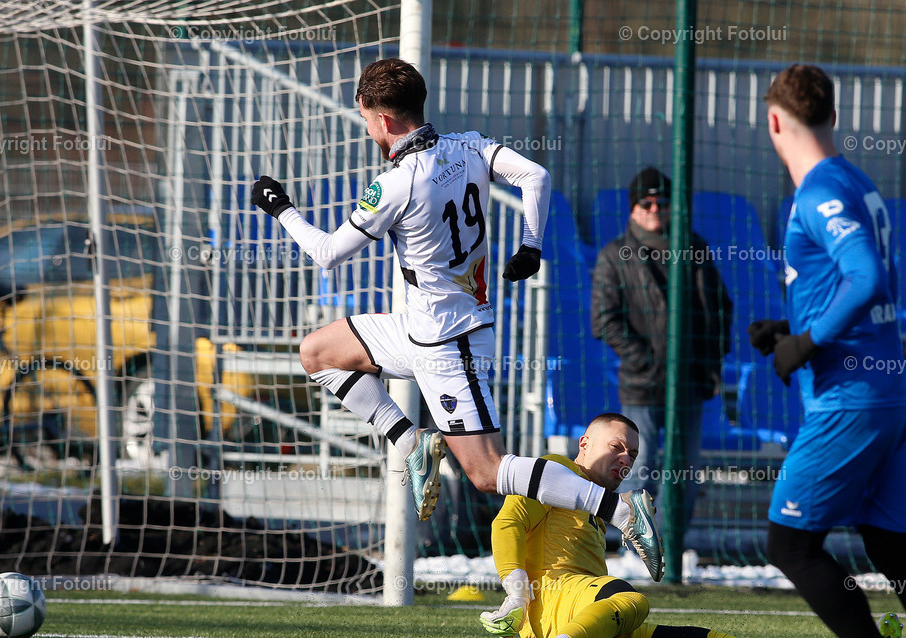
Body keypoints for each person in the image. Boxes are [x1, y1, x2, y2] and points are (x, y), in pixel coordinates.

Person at [250, 58, 663, 580]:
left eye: (366, 118)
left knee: (488, 472)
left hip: (451, 343)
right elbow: (535, 175)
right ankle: (409, 439)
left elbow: (329, 253)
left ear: (382, 118)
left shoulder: (396, 183)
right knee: (318, 352)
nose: (367, 128)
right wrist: (530, 245)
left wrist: (282, 209)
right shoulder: (468, 145)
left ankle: (623, 511)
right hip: (417, 329)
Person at [752, 63, 906, 638]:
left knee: (789, 541)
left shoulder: (821, 186)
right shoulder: (856, 177)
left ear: (775, 122)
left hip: (853, 396)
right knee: (896, 547)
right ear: (835, 113)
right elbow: (848, 279)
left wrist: (811, 338)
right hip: (890, 388)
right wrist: (789, 328)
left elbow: (864, 275)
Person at [478, 412, 903, 638]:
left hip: (590, 634)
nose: (626, 458)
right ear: (583, 444)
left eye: (632, 453)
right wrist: (516, 590)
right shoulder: (554, 470)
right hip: (555, 603)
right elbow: (508, 521)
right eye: (617, 447)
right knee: (632, 600)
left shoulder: (593, 498)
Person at [591, 167, 732, 526]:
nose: (655, 208)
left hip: (690, 379)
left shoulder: (694, 248)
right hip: (643, 384)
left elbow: (721, 309)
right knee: (638, 467)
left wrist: (710, 362)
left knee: (684, 471)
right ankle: (637, 548)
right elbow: (604, 321)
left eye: (663, 201)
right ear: (633, 207)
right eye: (646, 202)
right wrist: (651, 363)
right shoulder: (613, 256)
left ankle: (672, 548)